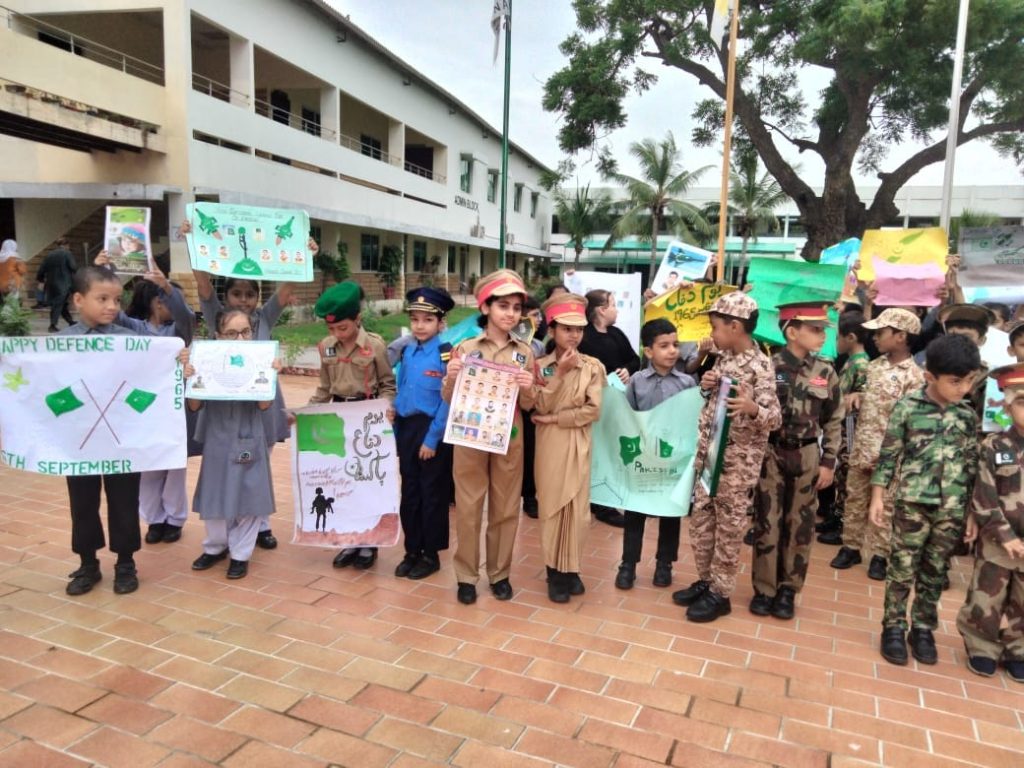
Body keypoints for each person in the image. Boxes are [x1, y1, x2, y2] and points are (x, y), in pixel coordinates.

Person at [183, 219, 317, 550]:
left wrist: (303, 255)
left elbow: (285, 290)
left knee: (258, 464)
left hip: (262, 406)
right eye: (236, 293)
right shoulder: (217, 315)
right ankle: (225, 532)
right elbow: (203, 285)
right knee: (229, 465)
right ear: (225, 295)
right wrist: (193, 240)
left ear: (258, 297)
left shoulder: (264, 318)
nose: (243, 300)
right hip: (224, 409)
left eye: (250, 294)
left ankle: (261, 526)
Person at [59, 267, 172, 596]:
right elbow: (45, 381)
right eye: (102, 299)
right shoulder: (60, 344)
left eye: (117, 300)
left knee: (124, 500)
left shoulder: (130, 341)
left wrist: (176, 358)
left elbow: (158, 364)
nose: (111, 306)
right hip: (80, 439)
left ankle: (125, 563)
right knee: (82, 501)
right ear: (78, 300)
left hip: (122, 437)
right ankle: (88, 563)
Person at [870, 334, 981, 665]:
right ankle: (893, 626)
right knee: (902, 567)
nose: (963, 388)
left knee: (935, 570)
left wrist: (972, 512)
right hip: (913, 504)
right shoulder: (908, 408)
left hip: (952, 508)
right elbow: (889, 455)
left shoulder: (966, 416)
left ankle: (922, 628)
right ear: (930, 376)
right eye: (955, 381)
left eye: (969, 380)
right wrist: (877, 496)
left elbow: (971, 464)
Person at [673, 291, 782, 623]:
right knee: (701, 524)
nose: (712, 333)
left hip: (736, 466)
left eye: (715, 326)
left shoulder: (761, 366)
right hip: (709, 458)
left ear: (735, 327)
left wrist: (751, 408)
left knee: (729, 531)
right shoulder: (723, 357)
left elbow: (775, 418)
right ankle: (706, 581)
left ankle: (720, 594)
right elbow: (712, 400)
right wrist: (708, 384)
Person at [442, 269, 537, 605]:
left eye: (516, 308)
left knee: (506, 508)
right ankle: (466, 576)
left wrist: (528, 387)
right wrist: (451, 377)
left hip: (510, 439)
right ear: (485, 308)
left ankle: (499, 574)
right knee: (468, 508)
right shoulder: (465, 348)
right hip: (470, 438)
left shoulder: (525, 353)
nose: (510, 314)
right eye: (503, 306)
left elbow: (529, 404)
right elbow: (448, 399)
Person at [95, 253, 196, 545]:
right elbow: (113, 313)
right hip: (141, 408)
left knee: (174, 467)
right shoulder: (134, 328)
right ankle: (154, 519)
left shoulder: (179, 330)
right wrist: (106, 272)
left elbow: (187, 316)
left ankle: (174, 519)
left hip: (173, 409)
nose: (172, 305)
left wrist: (166, 285)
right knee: (148, 466)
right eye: (166, 299)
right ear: (155, 303)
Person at [750, 303, 843, 620]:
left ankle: (788, 589)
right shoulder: (767, 367)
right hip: (771, 453)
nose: (822, 335)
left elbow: (834, 419)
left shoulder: (825, 371)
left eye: (822, 330)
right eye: (815, 329)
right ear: (792, 332)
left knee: (800, 524)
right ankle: (764, 589)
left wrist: (829, 461)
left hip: (806, 455)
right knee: (767, 521)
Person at [831, 308, 924, 580]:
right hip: (862, 446)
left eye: (881, 333)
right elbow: (867, 396)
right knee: (855, 498)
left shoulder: (914, 377)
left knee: (887, 505)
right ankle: (851, 546)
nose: (874, 338)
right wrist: (857, 397)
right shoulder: (873, 367)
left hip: (891, 456)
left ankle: (881, 554)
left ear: (901, 336)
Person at [307, 281, 396, 569]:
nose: (337, 333)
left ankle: (369, 543)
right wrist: (306, 412)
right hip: (339, 419)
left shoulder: (374, 346)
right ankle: (350, 541)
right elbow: (324, 388)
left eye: (343, 327)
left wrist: (386, 407)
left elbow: (388, 384)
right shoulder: (326, 347)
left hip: (367, 418)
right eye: (331, 328)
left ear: (357, 319)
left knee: (367, 482)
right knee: (343, 483)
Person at [188, 310, 276, 581]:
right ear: (218, 336)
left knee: (249, 492)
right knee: (214, 491)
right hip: (217, 437)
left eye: (245, 332)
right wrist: (190, 377)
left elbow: (264, 405)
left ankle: (240, 554)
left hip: (248, 436)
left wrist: (269, 374)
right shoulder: (207, 359)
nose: (240, 339)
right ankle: (215, 546)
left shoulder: (260, 359)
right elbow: (194, 405)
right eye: (231, 333)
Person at [532, 293, 605, 602]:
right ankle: (554, 573)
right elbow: (537, 404)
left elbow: (593, 411)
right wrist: (559, 375)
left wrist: (555, 419)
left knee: (577, 510)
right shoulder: (541, 367)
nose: (574, 335)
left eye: (578, 329)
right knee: (552, 506)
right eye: (566, 329)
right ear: (552, 330)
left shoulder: (593, 367)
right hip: (550, 446)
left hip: (578, 443)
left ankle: (571, 569)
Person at [615, 318, 697, 591]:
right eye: (664, 346)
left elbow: (691, 420)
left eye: (675, 344)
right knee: (635, 512)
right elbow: (627, 418)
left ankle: (665, 564)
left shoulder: (687, 383)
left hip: (673, 461)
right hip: (643, 460)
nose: (672, 351)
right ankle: (628, 564)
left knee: (670, 513)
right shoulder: (636, 382)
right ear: (648, 351)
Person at [957, 363, 1024, 682]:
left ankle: (1018, 648)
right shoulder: (994, 446)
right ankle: (981, 645)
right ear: (1007, 407)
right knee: (987, 594)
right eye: (1022, 401)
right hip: (998, 538)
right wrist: (1005, 534)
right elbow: (983, 495)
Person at [390, 286, 455, 581]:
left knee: (432, 494)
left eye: (427, 320)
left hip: (432, 431)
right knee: (410, 493)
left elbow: (447, 400)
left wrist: (432, 439)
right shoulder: (407, 351)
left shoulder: (446, 354)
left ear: (440, 323)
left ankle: (431, 554)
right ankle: (412, 550)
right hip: (407, 428)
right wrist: (394, 422)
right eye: (415, 319)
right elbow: (401, 389)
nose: (420, 325)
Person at [577, 288, 641, 527]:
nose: (616, 310)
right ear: (602, 310)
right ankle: (595, 502)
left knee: (611, 451)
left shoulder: (616, 334)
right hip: (590, 404)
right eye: (613, 305)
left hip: (616, 403)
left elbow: (635, 359)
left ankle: (604, 499)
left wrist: (627, 370)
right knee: (593, 452)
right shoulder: (584, 336)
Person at [817, 310, 870, 545]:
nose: (835, 341)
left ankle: (842, 523)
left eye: (837, 336)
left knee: (847, 472)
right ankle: (836, 515)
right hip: (844, 424)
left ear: (850, 337)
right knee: (842, 473)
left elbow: (854, 396)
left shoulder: (861, 364)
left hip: (851, 426)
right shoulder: (852, 361)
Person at [519, 295, 547, 519]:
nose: (539, 320)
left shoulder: (538, 346)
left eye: (539, 315)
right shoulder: (508, 343)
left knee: (530, 453)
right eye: (534, 315)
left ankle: (529, 496)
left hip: (530, 406)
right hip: (506, 408)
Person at [37, 237, 77, 332]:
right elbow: (73, 267)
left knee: (61, 304)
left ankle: (70, 321)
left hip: (51, 284)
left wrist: (40, 279)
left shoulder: (49, 255)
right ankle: (52, 325)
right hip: (64, 284)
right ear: (67, 245)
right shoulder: (67, 253)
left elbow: (42, 269)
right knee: (58, 304)